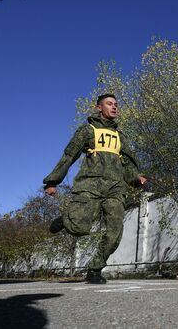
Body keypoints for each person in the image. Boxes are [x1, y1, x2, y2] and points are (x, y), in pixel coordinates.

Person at [43, 93, 147, 284]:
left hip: (115, 188)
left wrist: (135, 178)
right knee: (79, 227)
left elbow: (129, 164)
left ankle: (95, 269)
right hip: (90, 184)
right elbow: (69, 156)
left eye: (116, 104)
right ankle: (67, 220)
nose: (114, 107)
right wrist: (53, 181)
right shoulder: (87, 131)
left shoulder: (120, 137)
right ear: (99, 107)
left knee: (115, 232)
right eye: (109, 104)